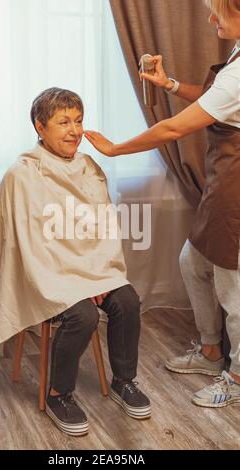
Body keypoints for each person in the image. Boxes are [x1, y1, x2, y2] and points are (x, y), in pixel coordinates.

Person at [84, 0, 240, 409]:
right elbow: (213, 97)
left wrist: (117, 149)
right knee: (192, 263)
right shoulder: (237, 52)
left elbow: (173, 128)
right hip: (221, 187)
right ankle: (210, 353)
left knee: (234, 291)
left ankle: (237, 378)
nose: (210, 19)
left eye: (219, 12)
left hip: (236, 193)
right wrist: (169, 84)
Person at [0, 87, 151, 437]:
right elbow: (31, 246)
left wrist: (96, 277)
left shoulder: (88, 167)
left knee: (126, 300)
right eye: (64, 122)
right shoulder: (23, 175)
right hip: (48, 276)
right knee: (83, 315)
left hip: (90, 270)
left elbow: (103, 229)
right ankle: (59, 394)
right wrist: (79, 282)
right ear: (40, 126)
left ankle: (124, 381)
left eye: (78, 121)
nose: (75, 130)